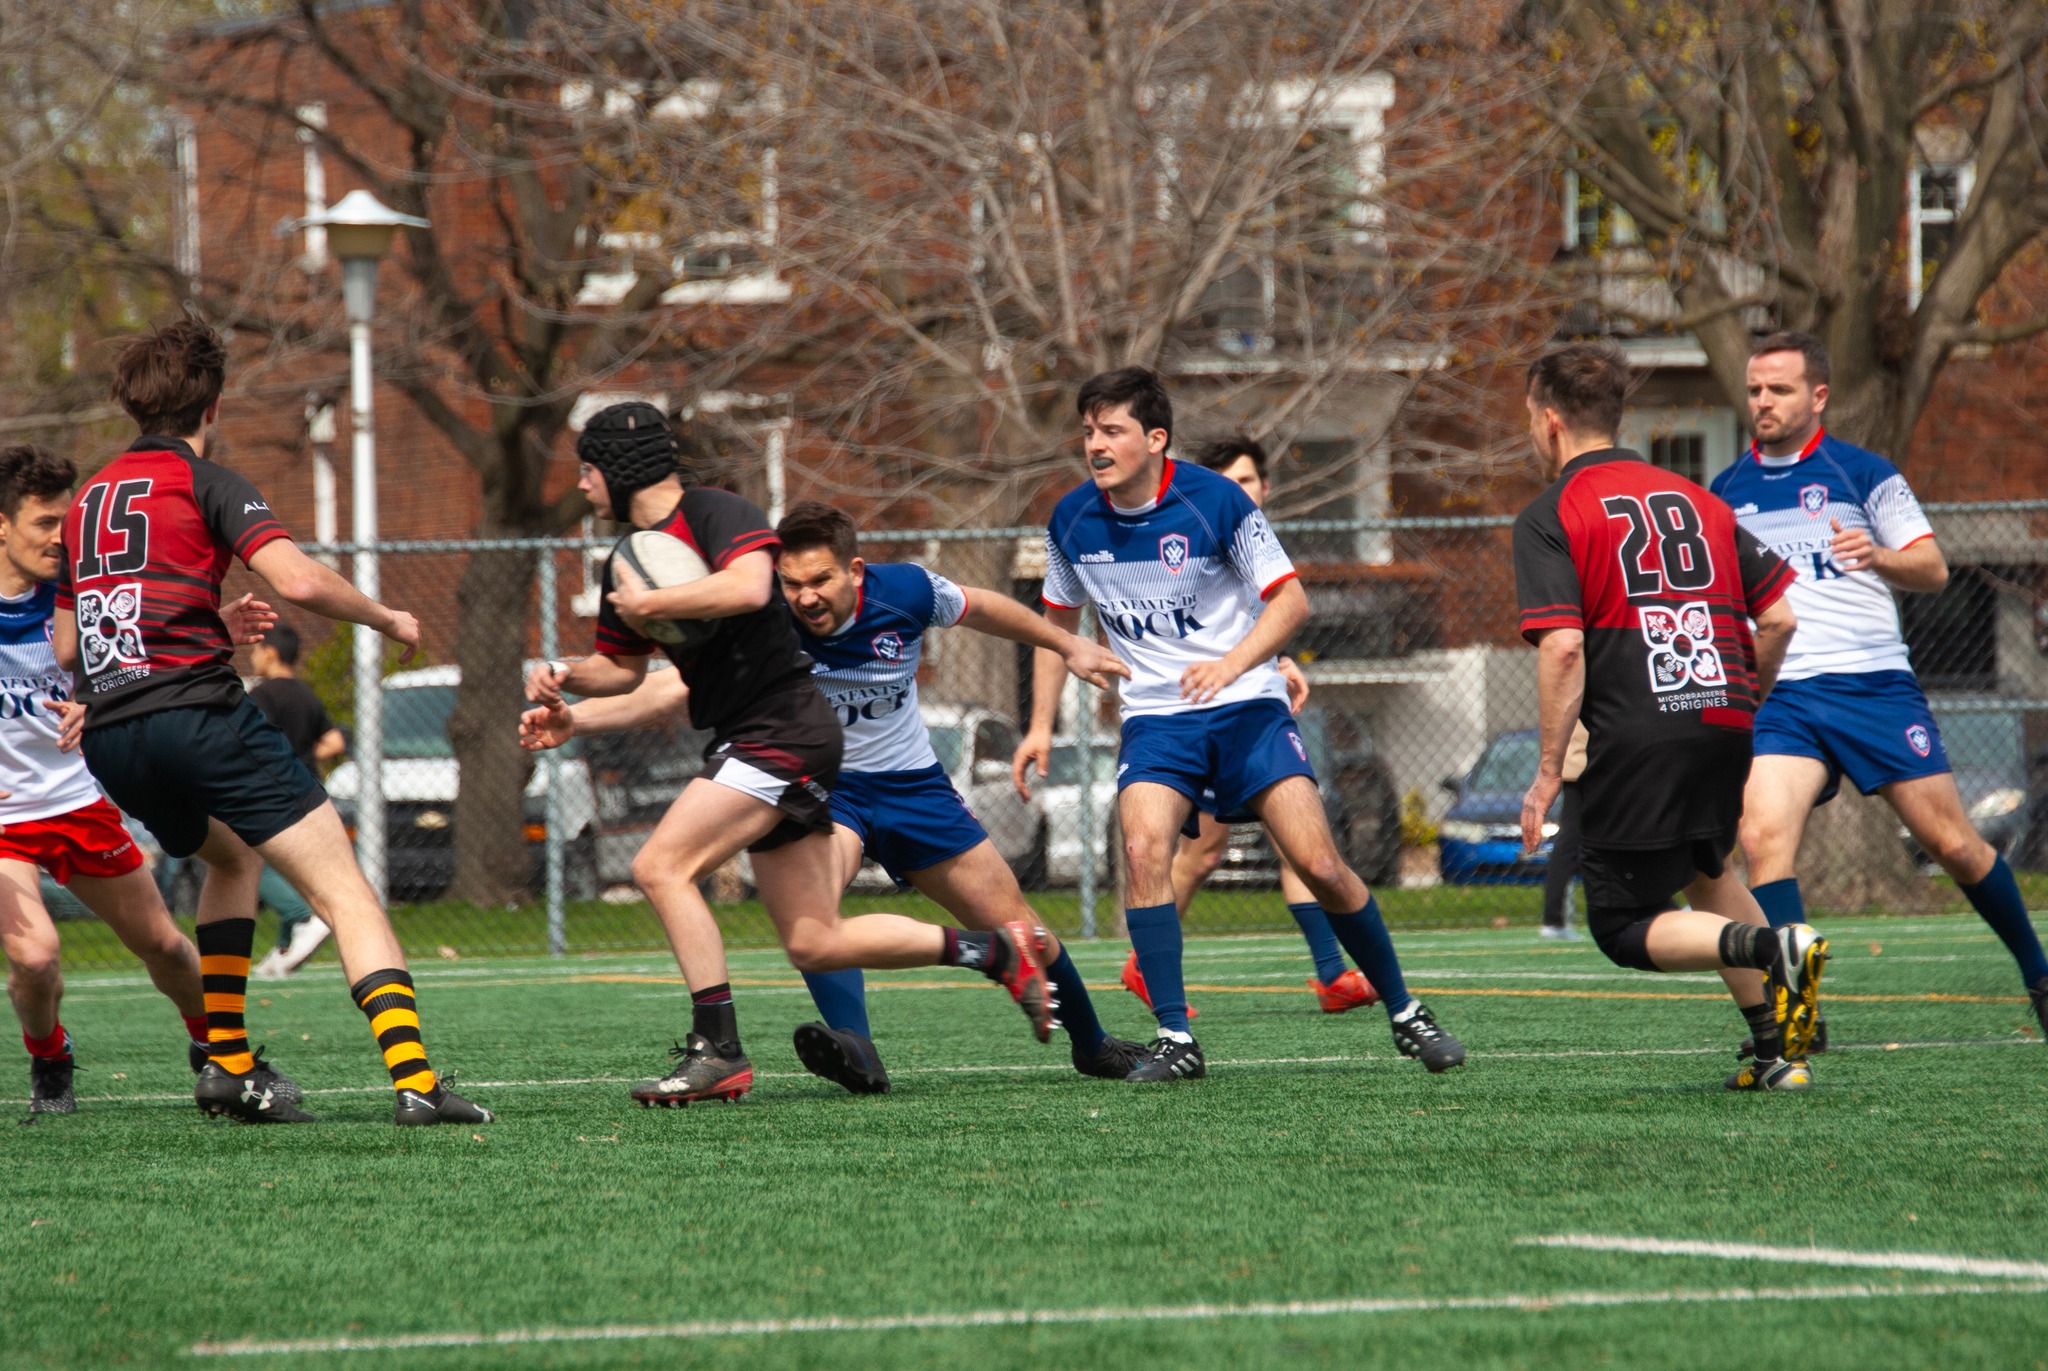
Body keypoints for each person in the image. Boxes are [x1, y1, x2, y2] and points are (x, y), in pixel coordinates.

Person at [522, 402, 1055, 1107]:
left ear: (621, 469)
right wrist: (565, 684)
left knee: (659, 865)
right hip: (756, 737)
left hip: (782, 729)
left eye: (587, 470)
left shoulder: (712, 512)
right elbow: (621, 671)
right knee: (814, 940)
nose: (582, 487)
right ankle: (992, 952)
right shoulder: (629, 561)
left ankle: (716, 1049)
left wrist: (657, 604)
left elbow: (747, 585)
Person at [53, 314, 491, 1126]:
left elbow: (74, 637)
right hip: (200, 717)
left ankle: (226, 1065)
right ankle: (417, 1083)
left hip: (114, 735)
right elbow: (298, 579)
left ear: (133, 404)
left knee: (232, 860)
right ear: (212, 404)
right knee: (347, 891)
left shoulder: (88, 501)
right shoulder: (211, 480)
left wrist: (203, 622)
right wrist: (387, 616)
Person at [1014, 366, 1466, 1082]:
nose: (1094, 444)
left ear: (1155, 439)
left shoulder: (1216, 500)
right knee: (1141, 847)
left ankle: (1407, 1012)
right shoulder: (1071, 519)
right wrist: (1039, 725)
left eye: (1112, 430)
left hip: (1248, 706)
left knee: (1319, 863)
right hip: (1158, 719)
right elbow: (1058, 624)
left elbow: (1289, 603)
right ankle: (1175, 1037)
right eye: (1088, 430)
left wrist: (1232, 664)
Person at [1710, 331, 2048, 1045]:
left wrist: (1880, 554)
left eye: (1779, 389)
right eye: (1754, 389)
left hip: (1873, 687)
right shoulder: (1725, 491)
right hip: (1784, 695)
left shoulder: (1864, 473)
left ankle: (2038, 972)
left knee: (1953, 844)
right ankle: (1799, 1015)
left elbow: (1933, 570)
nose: (1762, 402)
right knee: (1762, 835)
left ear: (1819, 396)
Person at [1512, 341, 1826, 1090]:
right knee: (1704, 867)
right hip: (1725, 716)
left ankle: (1771, 948)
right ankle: (1776, 1049)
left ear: (1552, 422)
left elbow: (1561, 649)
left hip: (1638, 730)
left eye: (1529, 417)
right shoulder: (1701, 497)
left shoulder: (1552, 513)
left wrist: (1548, 771)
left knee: (1621, 924)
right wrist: (1745, 697)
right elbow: (1778, 617)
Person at [0, 443, 218, 1113]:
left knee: (165, 945)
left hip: (76, 800)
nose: (61, 540)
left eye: (67, 524)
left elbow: (143, 665)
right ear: (0, 525)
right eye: (43, 523)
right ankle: (51, 1059)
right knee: (36, 956)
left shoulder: (75, 602)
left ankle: (217, 1048)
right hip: (4, 823)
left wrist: (98, 701)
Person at [1135, 434, 1379, 1013]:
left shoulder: (1256, 545)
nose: (1234, 491)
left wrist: (1278, 662)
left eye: (1245, 481)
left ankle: (1331, 974)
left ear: (1264, 488)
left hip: (1251, 706)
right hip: (1197, 718)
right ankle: (1146, 963)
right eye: (1224, 481)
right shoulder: (1195, 540)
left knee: (1293, 842)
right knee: (1202, 853)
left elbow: (1258, 623)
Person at [247, 621, 346, 979]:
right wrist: (304, 757)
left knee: (252, 863)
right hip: (309, 791)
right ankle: (285, 948)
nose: (252, 657)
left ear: (269, 653)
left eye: (255, 651)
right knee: (295, 864)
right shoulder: (306, 694)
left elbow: (255, 742)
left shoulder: (262, 696)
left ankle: (302, 917)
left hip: (271, 790)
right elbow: (335, 742)